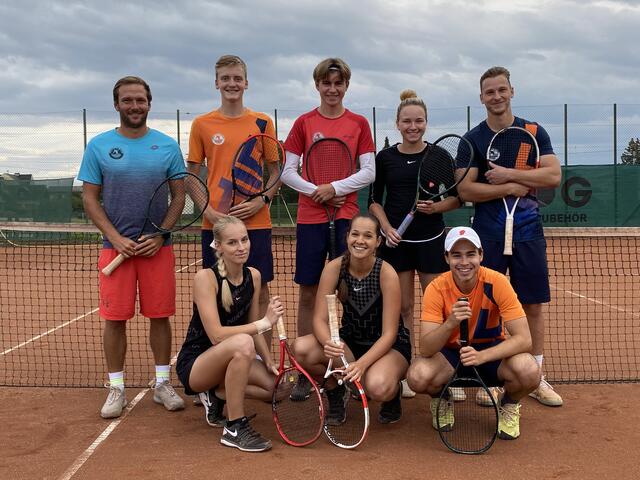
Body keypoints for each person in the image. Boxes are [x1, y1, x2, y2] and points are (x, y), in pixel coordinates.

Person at [78, 76, 186, 419]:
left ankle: (162, 384)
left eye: (140, 100)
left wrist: (161, 235)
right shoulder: (98, 146)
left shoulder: (168, 146)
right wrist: (116, 237)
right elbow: (90, 198)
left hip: (157, 249)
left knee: (160, 316)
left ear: (149, 103)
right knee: (114, 319)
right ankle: (116, 387)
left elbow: (179, 195)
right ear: (117, 105)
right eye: (127, 100)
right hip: (116, 250)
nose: (134, 106)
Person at [457, 66, 563, 407]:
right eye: (490, 92)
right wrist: (507, 186)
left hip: (528, 231)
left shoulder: (533, 131)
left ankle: (535, 375)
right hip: (486, 232)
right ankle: (487, 376)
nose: (496, 96)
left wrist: (510, 176)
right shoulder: (473, 138)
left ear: (511, 91)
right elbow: (465, 188)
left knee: (531, 304)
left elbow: (553, 175)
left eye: (501, 90)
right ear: (481, 97)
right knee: (483, 305)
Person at [407, 226, 540, 440]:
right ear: (447, 257)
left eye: (471, 254)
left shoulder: (497, 282)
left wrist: (482, 356)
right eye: (456, 255)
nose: (464, 262)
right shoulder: (436, 288)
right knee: (418, 375)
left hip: (491, 355)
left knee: (529, 369)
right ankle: (442, 398)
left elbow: (525, 340)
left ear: (481, 255)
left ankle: (509, 403)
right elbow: (426, 348)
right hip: (450, 357)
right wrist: (451, 322)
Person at [369, 89, 461, 398]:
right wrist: (385, 227)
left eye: (419, 121)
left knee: (442, 308)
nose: (413, 126)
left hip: (433, 242)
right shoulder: (385, 158)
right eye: (407, 121)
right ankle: (408, 369)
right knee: (404, 308)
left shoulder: (438, 156)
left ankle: (449, 371)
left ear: (426, 123)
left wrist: (436, 208)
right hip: (397, 244)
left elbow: (456, 197)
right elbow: (373, 201)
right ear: (397, 123)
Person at [281, 57, 376, 342]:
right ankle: (305, 363)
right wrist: (316, 192)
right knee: (309, 289)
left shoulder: (359, 123)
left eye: (338, 83)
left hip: (346, 217)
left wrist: (333, 188)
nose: (332, 89)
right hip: (311, 219)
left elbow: (369, 171)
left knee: (347, 288)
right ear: (317, 85)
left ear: (346, 85)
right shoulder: (304, 123)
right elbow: (287, 172)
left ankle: (346, 354)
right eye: (326, 83)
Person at [187, 54, 281, 342]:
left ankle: (260, 358)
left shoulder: (263, 122)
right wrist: (209, 213)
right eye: (225, 78)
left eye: (237, 78)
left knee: (259, 287)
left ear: (246, 83)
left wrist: (262, 200)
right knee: (216, 288)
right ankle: (217, 356)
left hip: (256, 223)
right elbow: (192, 175)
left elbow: (275, 170)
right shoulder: (202, 124)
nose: (232, 83)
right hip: (215, 225)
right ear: (216, 83)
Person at [176, 216, 283, 452]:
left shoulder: (253, 276)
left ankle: (217, 394)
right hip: (197, 364)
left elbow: (254, 323)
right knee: (243, 343)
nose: (241, 247)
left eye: (244, 239)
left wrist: (267, 360)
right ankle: (234, 427)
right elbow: (216, 335)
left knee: (275, 386)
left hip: (232, 356)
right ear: (218, 246)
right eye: (233, 242)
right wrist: (264, 322)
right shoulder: (205, 278)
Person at [292, 214, 411, 424]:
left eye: (368, 236)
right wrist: (328, 342)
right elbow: (319, 319)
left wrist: (362, 364)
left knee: (377, 387)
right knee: (301, 348)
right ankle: (335, 391)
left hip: (387, 346)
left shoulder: (386, 273)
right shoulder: (334, 268)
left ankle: (392, 394)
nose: (360, 240)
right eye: (355, 234)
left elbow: (390, 333)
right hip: (351, 341)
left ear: (378, 242)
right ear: (347, 237)